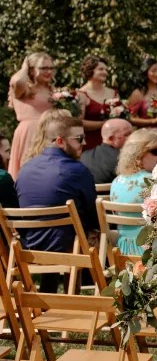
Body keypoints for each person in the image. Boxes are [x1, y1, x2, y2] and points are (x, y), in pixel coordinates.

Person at [14, 111, 98, 291]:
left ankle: (49, 295)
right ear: (60, 141)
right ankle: (97, 293)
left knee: (64, 231)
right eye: (79, 138)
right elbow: (92, 216)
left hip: (29, 247)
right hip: (68, 248)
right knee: (96, 234)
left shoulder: (25, 169)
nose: (84, 143)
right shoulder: (77, 171)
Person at [108, 129, 157, 255]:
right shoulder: (154, 182)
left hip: (123, 250)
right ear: (139, 154)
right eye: (156, 151)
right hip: (152, 252)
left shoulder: (116, 181)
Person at [7, 52, 55, 179]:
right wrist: (25, 67)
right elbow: (17, 81)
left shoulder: (51, 90)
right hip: (30, 132)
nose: (49, 71)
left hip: (49, 132)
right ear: (32, 70)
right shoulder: (24, 88)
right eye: (44, 68)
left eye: (51, 68)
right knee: (29, 170)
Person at [127, 57, 157, 146]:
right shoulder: (138, 93)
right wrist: (153, 121)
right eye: (153, 71)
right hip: (146, 138)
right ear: (146, 72)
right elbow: (130, 118)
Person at [76, 55, 119, 150]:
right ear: (90, 70)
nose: (105, 72)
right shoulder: (81, 94)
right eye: (101, 69)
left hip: (112, 144)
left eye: (106, 70)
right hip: (90, 145)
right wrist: (103, 124)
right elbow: (78, 122)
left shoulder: (113, 93)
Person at [80, 118, 132, 184]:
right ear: (111, 138)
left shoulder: (84, 155)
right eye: (127, 134)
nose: (132, 138)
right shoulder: (123, 159)